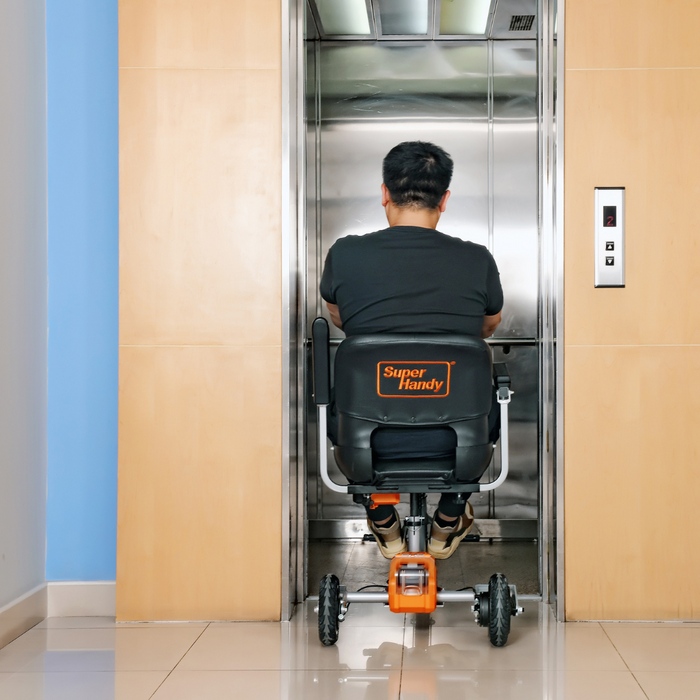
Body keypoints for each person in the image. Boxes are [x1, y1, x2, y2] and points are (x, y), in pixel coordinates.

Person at [320, 141, 503, 561]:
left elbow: (339, 315)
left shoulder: (345, 254)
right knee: (486, 399)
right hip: (460, 444)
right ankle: (448, 518)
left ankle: (382, 519)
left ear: (385, 193)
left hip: (364, 443)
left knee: (349, 404)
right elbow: (489, 327)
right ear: (445, 199)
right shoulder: (477, 259)